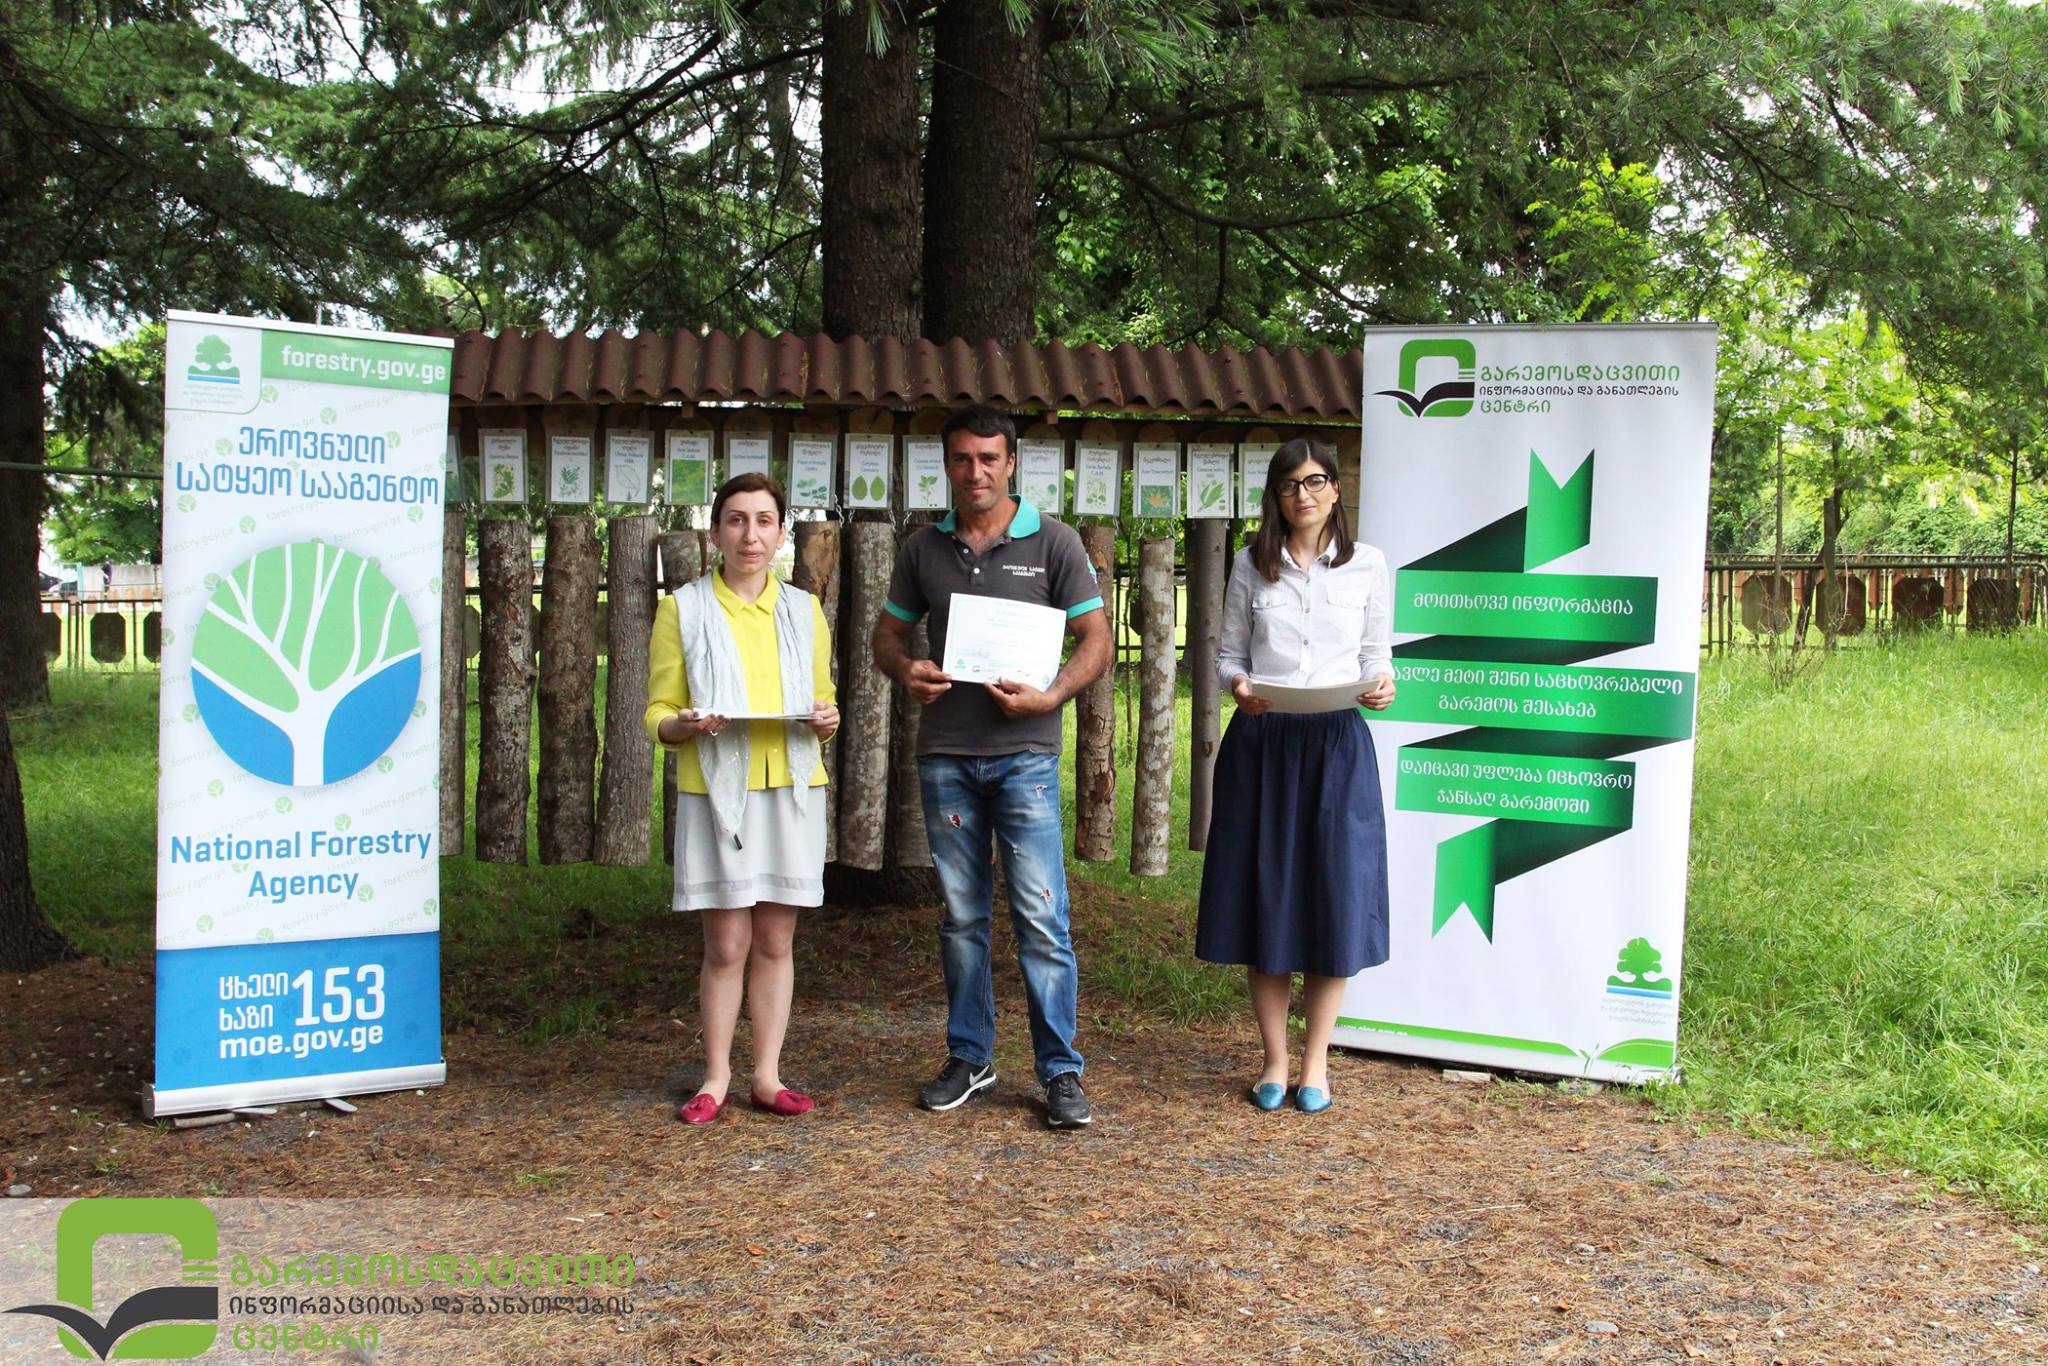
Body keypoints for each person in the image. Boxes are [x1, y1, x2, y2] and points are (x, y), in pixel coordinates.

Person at [872, 406, 1112, 1130]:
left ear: (1011, 462)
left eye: (988, 458)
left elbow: (1095, 638)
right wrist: (905, 669)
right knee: (962, 918)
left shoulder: (1056, 541)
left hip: (1025, 757)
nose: (974, 471)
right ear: (946, 464)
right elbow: (887, 634)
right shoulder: (923, 548)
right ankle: (970, 1057)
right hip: (946, 754)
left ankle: (1060, 1070)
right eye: (961, 458)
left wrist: (1053, 695)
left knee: (1041, 916)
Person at [1195, 437, 1396, 1114]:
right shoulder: (1251, 564)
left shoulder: (1369, 564)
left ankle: (1317, 1064)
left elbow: (1376, 654)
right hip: (1265, 741)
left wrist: (1383, 683)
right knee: (1268, 897)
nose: (1302, 495)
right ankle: (1274, 1060)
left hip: (1338, 744)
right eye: (1288, 485)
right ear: (1275, 497)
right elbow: (1227, 654)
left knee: (1335, 895)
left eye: (1313, 482)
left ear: (1335, 489)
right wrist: (1240, 685)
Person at [645, 473, 839, 1124]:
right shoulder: (684, 609)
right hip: (717, 791)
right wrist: (683, 726)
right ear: (715, 532)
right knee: (727, 943)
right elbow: (657, 711)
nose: (750, 535)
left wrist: (827, 719)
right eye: (735, 520)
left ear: (781, 534)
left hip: (791, 788)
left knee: (777, 940)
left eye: (763, 521)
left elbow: (821, 703)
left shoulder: (804, 611)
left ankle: (768, 1076)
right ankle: (716, 1077)